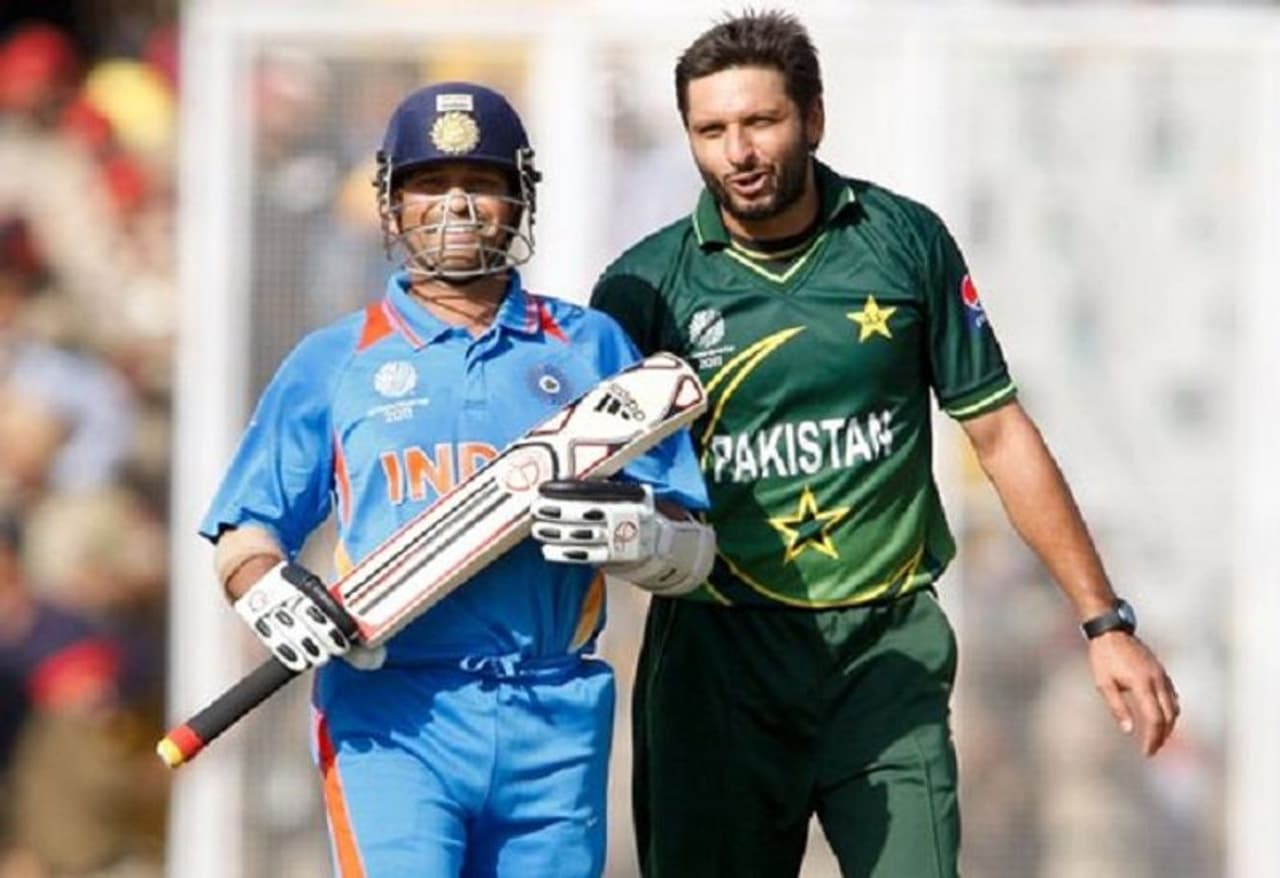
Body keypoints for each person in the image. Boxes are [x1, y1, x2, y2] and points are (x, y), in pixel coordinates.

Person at [587, 11, 1181, 877]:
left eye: (761, 121)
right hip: (717, 657)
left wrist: (1104, 623)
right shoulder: (643, 287)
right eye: (711, 131)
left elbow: (999, 432)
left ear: (814, 118)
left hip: (884, 649)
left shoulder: (903, 242)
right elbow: (592, 476)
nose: (738, 152)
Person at [200, 81, 712, 878]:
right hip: (392, 714)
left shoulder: (590, 346)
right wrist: (269, 593)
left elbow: (694, 546)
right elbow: (245, 531)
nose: (457, 206)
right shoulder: (335, 359)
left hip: (555, 710)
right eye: (430, 184)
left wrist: (642, 535)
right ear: (392, 204)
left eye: (480, 183)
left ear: (519, 199)